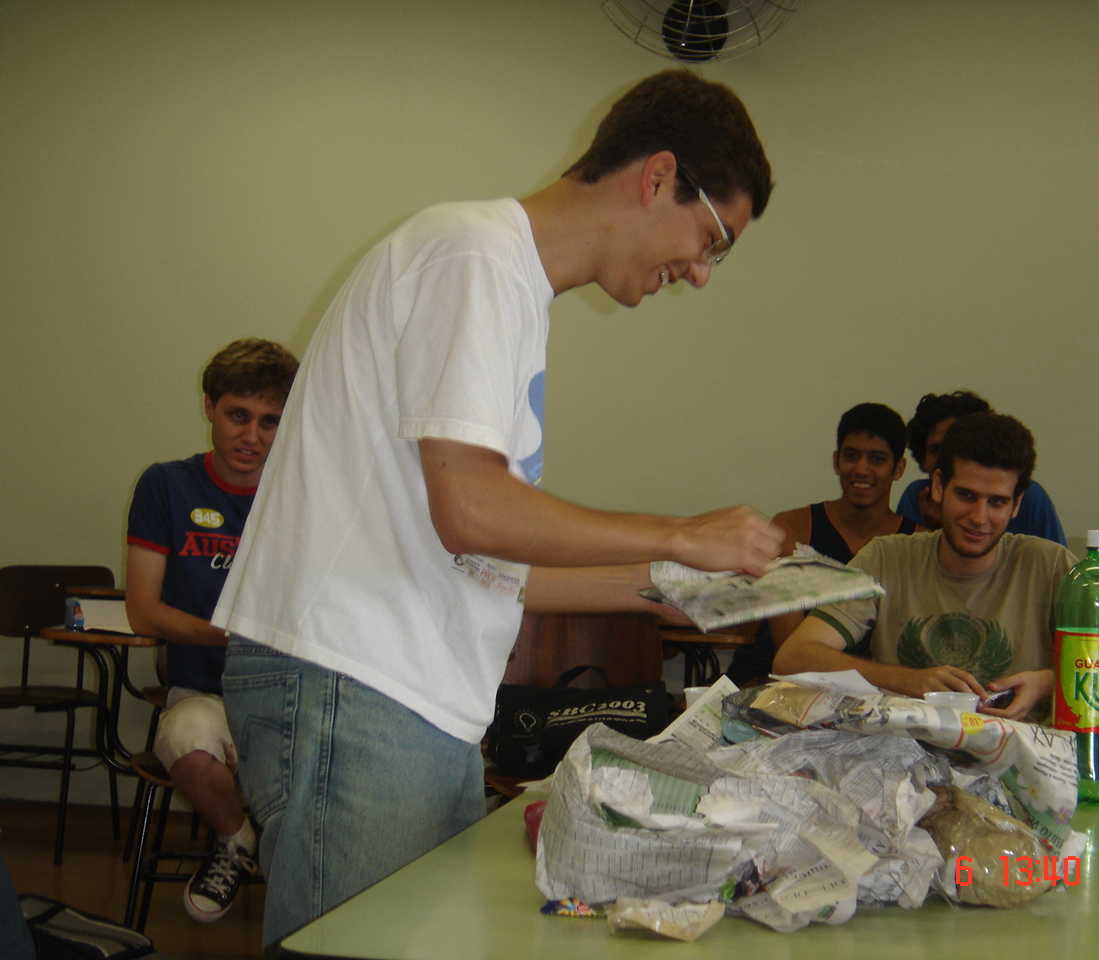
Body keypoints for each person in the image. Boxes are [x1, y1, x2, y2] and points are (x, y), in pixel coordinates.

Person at [211, 69, 786, 945]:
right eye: (714, 239)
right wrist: (682, 534)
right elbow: (472, 512)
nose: (702, 273)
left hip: (408, 694)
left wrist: (663, 585)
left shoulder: (509, 287)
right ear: (658, 176)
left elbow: (483, 563)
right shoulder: (473, 256)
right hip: (355, 680)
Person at [776, 412, 1099, 721]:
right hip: (905, 761)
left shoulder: (1049, 565)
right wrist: (907, 680)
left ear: (1017, 504)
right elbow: (794, 657)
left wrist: (1049, 682)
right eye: (966, 495)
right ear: (938, 487)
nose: (979, 517)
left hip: (1020, 768)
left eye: (997, 502)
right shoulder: (886, 557)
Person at [124, 338, 299, 922]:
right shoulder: (164, 486)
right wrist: (235, 636)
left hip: (289, 695)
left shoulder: (306, 495)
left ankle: (301, 876)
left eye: (270, 421)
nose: (252, 436)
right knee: (188, 747)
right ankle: (239, 841)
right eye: (238, 415)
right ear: (209, 408)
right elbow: (144, 611)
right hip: (202, 692)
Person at [726, 402, 917, 685]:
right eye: (851, 456)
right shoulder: (793, 528)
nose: (861, 469)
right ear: (837, 461)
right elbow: (789, 652)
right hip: (775, 675)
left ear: (898, 468)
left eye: (877, 459)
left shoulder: (917, 542)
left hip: (878, 687)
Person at [895, 390, 1067, 546]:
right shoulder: (917, 495)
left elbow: (1059, 564)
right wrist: (932, 530)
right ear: (923, 458)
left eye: (997, 501)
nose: (946, 458)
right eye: (936, 450)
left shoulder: (1031, 497)